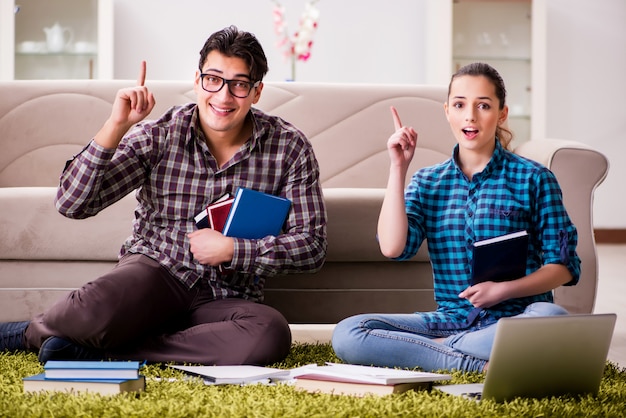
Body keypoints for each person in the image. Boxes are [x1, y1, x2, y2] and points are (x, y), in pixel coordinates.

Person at [0, 26, 327, 365]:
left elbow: (312, 246)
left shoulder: (290, 147)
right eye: (213, 79)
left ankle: (113, 353)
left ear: (256, 92)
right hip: (155, 275)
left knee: (269, 331)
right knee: (92, 310)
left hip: (226, 297)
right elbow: (72, 203)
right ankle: (24, 334)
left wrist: (234, 250)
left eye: (239, 85)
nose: (224, 97)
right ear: (197, 81)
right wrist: (116, 125)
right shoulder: (159, 135)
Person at [331, 62, 580, 372]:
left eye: (484, 105)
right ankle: (474, 363)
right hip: (449, 320)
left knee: (550, 319)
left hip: (516, 318)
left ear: (502, 113)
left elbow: (564, 267)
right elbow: (393, 248)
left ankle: (436, 353)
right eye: (460, 105)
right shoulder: (427, 181)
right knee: (349, 333)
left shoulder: (534, 178)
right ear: (447, 110)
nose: (470, 116)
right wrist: (398, 167)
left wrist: (503, 290)